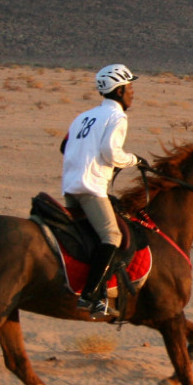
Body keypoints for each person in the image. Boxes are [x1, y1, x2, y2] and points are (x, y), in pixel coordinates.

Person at [60, 64, 148, 316]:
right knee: (112, 236)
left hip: (70, 187)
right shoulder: (118, 117)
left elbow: (64, 146)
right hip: (91, 188)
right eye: (130, 87)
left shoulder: (83, 116)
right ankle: (91, 296)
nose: (132, 92)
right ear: (119, 91)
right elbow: (111, 153)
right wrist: (134, 160)